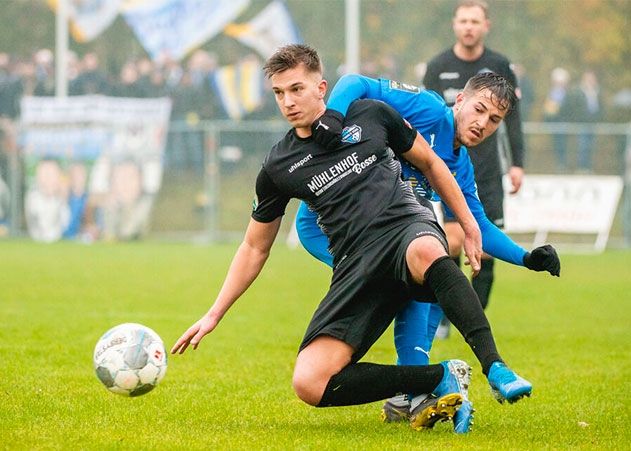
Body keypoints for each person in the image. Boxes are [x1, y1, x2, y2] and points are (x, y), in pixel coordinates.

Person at [172, 44, 532, 432]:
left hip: (404, 226)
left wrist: (469, 224)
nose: (288, 101)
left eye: (296, 89)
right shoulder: (278, 166)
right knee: (309, 382)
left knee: (427, 249)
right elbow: (255, 246)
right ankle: (434, 378)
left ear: (321, 87)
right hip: (356, 263)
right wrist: (213, 314)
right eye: (279, 93)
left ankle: (495, 366)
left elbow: (430, 162)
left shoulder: (370, 114)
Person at [304, 72, 560, 433]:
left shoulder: (460, 165)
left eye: (494, 120)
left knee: (416, 270)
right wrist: (333, 117)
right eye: (479, 110)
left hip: (382, 235)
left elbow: (479, 225)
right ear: (461, 101)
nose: (482, 123)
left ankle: (412, 392)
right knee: (411, 268)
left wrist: (526, 257)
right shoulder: (427, 109)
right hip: (324, 227)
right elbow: (355, 82)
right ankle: (416, 388)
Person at [422, 0, 526, 338]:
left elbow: (513, 119)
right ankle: (443, 314)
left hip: (488, 170)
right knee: (450, 242)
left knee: (485, 243)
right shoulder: (438, 66)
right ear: (455, 24)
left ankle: (472, 317)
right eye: (463, 20)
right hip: (445, 167)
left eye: (475, 21)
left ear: (485, 26)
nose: (469, 26)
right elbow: (428, 119)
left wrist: (518, 164)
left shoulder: (499, 65)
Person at [543, 67, 571, 172]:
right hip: (554, 122)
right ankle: (559, 164)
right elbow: (548, 109)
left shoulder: (568, 93)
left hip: (563, 122)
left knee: (563, 144)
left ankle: (562, 164)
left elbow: (568, 108)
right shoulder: (551, 92)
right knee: (557, 144)